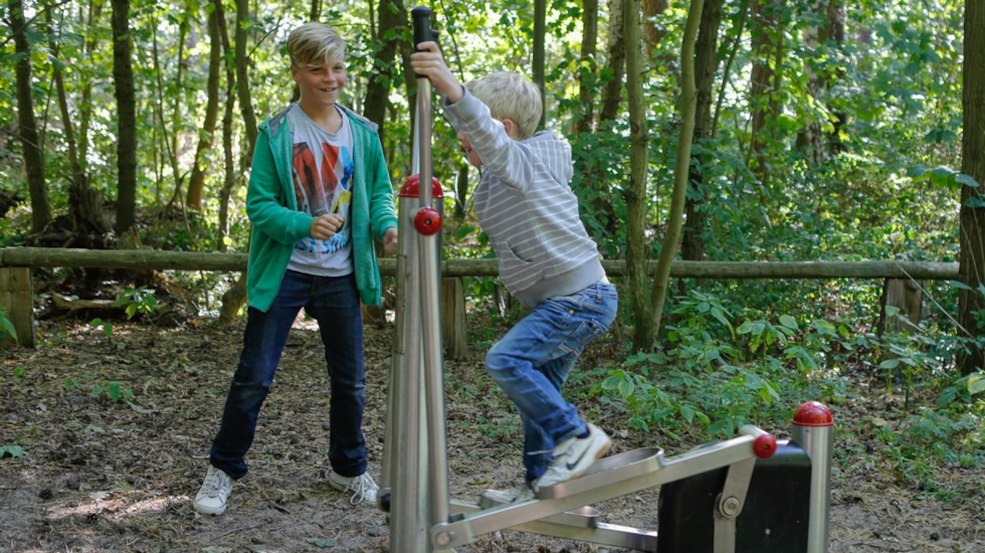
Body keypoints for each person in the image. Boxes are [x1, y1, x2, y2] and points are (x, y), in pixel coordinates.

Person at [193, 22, 398, 515]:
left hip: (342, 275)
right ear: (296, 72)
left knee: (350, 381)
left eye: (338, 68)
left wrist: (387, 228)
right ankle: (222, 471)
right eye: (317, 69)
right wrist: (304, 223)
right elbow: (259, 206)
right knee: (254, 377)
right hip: (285, 272)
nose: (330, 78)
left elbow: (380, 194)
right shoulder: (276, 133)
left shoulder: (363, 134)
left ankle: (347, 469)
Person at [410, 42, 618, 503]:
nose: (462, 139)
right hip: (570, 300)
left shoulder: (525, 164)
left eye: (470, 131)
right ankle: (540, 482)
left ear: (501, 129)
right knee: (538, 391)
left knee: (505, 360)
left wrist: (448, 81)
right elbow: (475, 128)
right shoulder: (508, 170)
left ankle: (577, 435)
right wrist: (444, 96)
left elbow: (484, 134)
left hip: (579, 299)